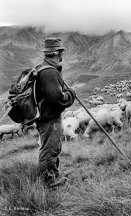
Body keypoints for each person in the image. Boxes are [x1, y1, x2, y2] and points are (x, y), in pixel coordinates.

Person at [35, 37, 75, 187]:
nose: (62, 54)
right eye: (61, 51)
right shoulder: (49, 72)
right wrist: (71, 94)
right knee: (50, 149)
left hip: (46, 117)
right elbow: (57, 99)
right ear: (58, 52)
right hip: (49, 119)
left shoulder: (44, 67)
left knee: (52, 147)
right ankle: (49, 182)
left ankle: (52, 175)